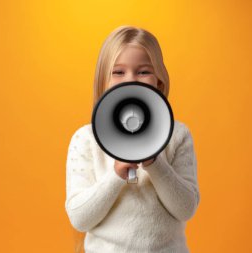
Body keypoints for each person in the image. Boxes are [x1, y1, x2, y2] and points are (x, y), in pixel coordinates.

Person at [65, 25, 200, 253]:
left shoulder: (178, 136)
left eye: (143, 71)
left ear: (159, 81)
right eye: (118, 72)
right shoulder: (86, 140)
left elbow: (185, 209)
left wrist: (155, 164)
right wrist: (116, 175)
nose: (131, 80)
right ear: (103, 82)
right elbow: (80, 218)